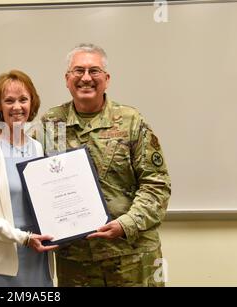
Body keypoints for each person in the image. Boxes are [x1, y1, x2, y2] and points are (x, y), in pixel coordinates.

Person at [41, 43, 171, 287]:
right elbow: (42, 179)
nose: (86, 78)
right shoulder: (52, 122)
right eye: (78, 71)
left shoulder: (131, 121)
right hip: (76, 262)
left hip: (131, 257)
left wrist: (126, 224)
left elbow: (157, 185)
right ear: (67, 79)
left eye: (94, 71)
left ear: (107, 79)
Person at [0, 70, 58, 287]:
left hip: (36, 258)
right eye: (9, 101)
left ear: (32, 103)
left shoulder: (38, 147)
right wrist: (23, 237)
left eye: (23, 99)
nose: (17, 107)